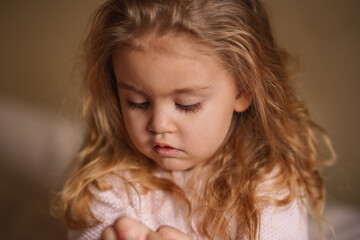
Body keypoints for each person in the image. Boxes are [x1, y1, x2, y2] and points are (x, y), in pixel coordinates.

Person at [58, 0, 334, 239]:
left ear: (243, 91)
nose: (159, 125)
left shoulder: (267, 185)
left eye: (186, 105)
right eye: (137, 102)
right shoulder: (108, 181)